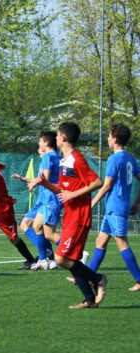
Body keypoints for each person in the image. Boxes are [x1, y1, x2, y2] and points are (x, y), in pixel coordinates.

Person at [31, 122, 107, 309]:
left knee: (61, 259)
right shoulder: (64, 160)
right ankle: (89, 299)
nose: (55, 138)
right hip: (71, 215)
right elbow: (62, 189)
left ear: (63, 137)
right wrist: (44, 184)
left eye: (57, 135)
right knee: (70, 260)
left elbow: (97, 182)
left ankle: (99, 279)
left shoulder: (76, 159)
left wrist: (73, 194)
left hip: (80, 216)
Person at [83, 123, 140, 291]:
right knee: (100, 241)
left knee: (121, 242)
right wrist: (136, 203)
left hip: (115, 207)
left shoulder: (114, 159)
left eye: (109, 136)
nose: (107, 139)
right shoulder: (130, 158)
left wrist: (92, 203)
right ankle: (88, 276)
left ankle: (139, 278)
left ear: (115, 139)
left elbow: (107, 185)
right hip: (115, 208)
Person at [11, 131, 62, 270]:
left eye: (40, 142)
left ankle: (75, 253)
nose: (38, 145)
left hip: (50, 199)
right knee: (27, 224)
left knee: (46, 232)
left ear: (46, 142)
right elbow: (44, 178)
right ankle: (44, 257)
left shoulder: (48, 157)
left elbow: (44, 178)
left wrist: (33, 184)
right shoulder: (56, 157)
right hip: (44, 199)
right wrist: (24, 179)